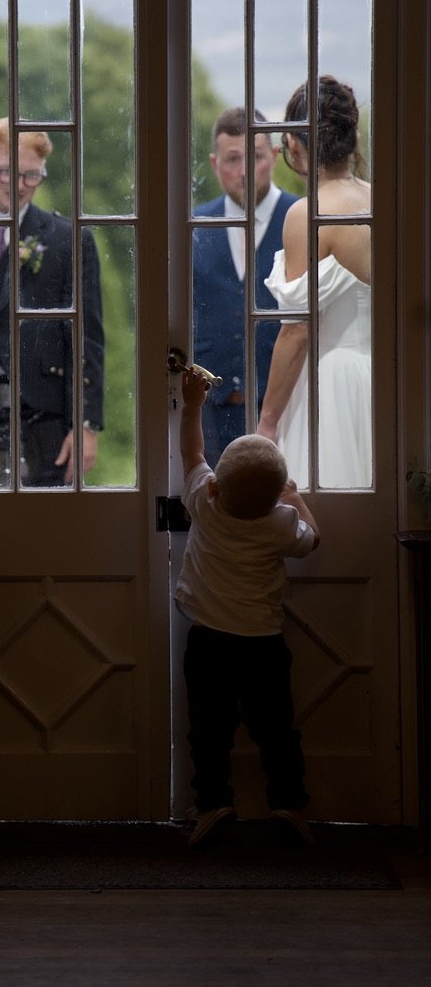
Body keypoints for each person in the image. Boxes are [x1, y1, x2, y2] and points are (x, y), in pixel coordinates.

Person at [175, 367, 320, 848]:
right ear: (276, 495)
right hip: (263, 644)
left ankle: (214, 802)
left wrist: (193, 404)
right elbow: (312, 540)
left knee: (208, 730)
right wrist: (297, 499)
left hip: (209, 639)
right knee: (276, 729)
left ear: (216, 486)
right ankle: (289, 803)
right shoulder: (280, 522)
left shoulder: (204, 502)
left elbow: (192, 453)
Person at [0, 118, 104, 487]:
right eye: (7, 172)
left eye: (32, 176)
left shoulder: (67, 240)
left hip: (44, 418)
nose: (20, 186)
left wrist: (85, 424)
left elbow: (87, 338)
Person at [257, 76, 371, 488]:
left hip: (329, 383)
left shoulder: (308, 213)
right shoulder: (381, 199)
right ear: (351, 135)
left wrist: (267, 422)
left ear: (293, 142)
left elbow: (297, 331)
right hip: (383, 380)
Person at [193, 108, 298, 467]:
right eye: (232, 159)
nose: (243, 171)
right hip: (208, 417)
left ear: (274, 157)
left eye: (254, 158)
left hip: (289, 411)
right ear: (214, 162)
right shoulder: (192, 225)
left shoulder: (301, 218)